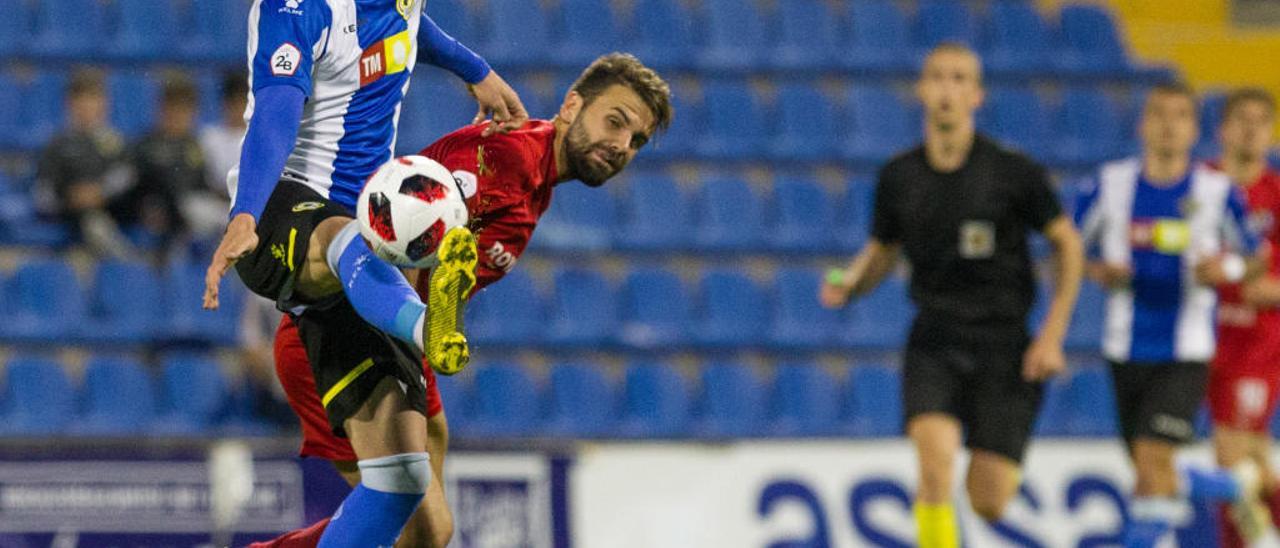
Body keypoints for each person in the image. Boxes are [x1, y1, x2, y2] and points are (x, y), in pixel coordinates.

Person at [252, 52, 673, 548]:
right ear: (572, 104)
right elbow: (398, 229)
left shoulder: (535, 174)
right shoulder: (508, 159)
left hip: (408, 341)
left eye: (636, 140)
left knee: (432, 532)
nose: (622, 145)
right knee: (408, 521)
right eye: (615, 122)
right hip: (345, 332)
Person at [201, 2, 527, 546]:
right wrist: (245, 214)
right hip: (281, 214)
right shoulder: (297, 10)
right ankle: (429, 327)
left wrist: (477, 71)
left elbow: (413, 23)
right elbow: (277, 109)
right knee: (345, 236)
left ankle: (421, 323)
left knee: (404, 486)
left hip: (363, 256)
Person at [819, 43, 1084, 548]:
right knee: (935, 467)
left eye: (960, 79)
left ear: (977, 96)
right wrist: (850, 284)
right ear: (921, 90)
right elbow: (882, 249)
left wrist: (1052, 335)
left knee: (988, 500)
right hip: (936, 338)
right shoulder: (898, 176)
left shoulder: (1013, 172)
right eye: (938, 77)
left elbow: (1067, 244)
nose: (947, 89)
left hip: (1005, 343)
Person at [1075, 83, 1269, 548]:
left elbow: (1256, 256)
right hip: (1124, 347)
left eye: (1179, 115)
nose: (1167, 125)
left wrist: (1231, 268)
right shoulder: (1109, 185)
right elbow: (1067, 249)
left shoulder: (1217, 192)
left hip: (1186, 350)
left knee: (1151, 460)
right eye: (1158, 114)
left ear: (1194, 129)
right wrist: (1097, 271)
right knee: (1148, 475)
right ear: (1142, 124)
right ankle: (1223, 485)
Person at [1207, 87, 1280, 546]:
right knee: (1244, 459)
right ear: (1223, 129)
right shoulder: (1201, 185)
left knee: (1230, 455)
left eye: (1261, 121)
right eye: (1243, 119)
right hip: (1199, 336)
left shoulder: (1276, 194)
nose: (1252, 129)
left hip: (1256, 343)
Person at [33, 67, 134, 257]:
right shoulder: (57, 145)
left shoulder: (117, 143)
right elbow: (43, 194)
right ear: (69, 103)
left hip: (113, 220)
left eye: (93, 99)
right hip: (69, 225)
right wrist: (71, 198)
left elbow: (127, 179)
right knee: (91, 224)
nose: (87, 106)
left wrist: (100, 192)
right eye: (81, 99)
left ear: (104, 103)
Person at [116, 73, 207, 253]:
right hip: (146, 212)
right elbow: (128, 185)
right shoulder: (144, 144)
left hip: (187, 212)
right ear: (161, 109)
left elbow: (202, 185)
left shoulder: (196, 146)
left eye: (183, 110)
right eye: (172, 108)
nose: (177, 116)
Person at [192, 71, 251, 241]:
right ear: (225, 103)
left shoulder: (259, 138)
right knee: (195, 208)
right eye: (234, 101)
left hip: (248, 206)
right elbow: (200, 179)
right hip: (216, 204)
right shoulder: (208, 137)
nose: (239, 107)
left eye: (243, 101)